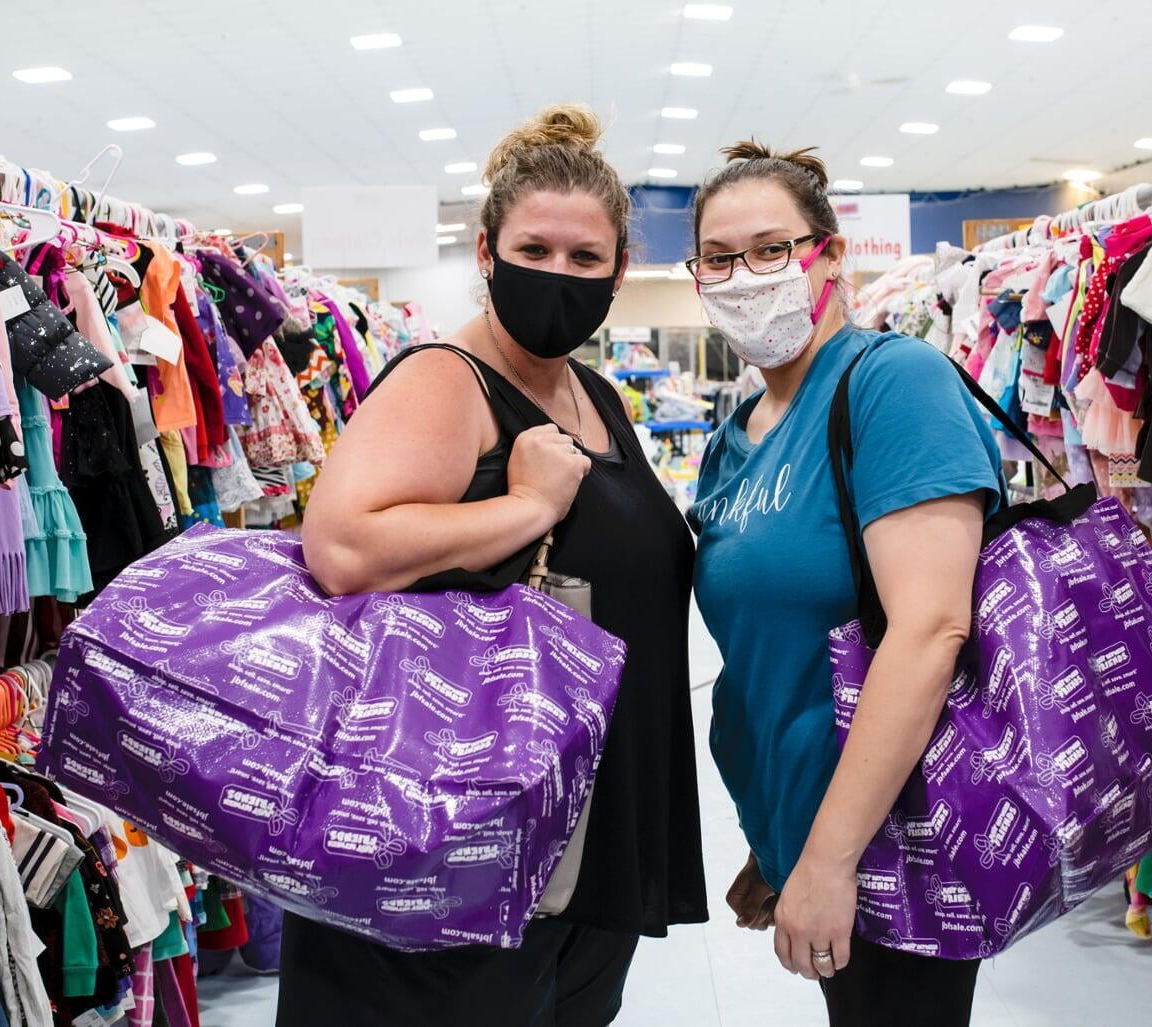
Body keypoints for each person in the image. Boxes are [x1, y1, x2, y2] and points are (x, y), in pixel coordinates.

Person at [279, 104, 707, 1027]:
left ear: (620, 270)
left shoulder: (592, 393)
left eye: (586, 258)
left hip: (577, 840)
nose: (559, 275)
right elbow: (343, 547)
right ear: (485, 250)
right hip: (461, 854)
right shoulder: (447, 379)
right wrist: (522, 508)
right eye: (535, 249)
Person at [687, 142, 1004, 1027]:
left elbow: (933, 625)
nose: (744, 274)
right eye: (719, 257)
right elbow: (766, 655)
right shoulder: (734, 435)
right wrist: (779, 841)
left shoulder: (891, 381)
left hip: (898, 836)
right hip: (807, 824)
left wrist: (827, 858)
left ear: (828, 257)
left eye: (771, 248)